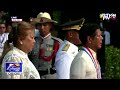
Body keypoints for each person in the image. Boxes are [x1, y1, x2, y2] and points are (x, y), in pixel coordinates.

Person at [29, 12, 63, 79]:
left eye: (45, 25)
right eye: (39, 25)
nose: (42, 28)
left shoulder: (57, 43)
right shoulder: (31, 41)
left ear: (50, 25)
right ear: (37, 26)